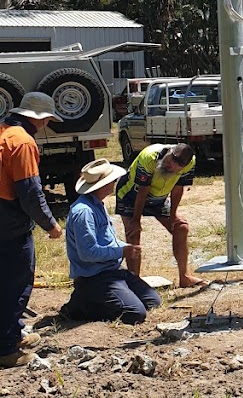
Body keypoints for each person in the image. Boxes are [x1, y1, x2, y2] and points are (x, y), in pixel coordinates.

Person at [0, 92, 62, 367]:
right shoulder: (23, 142)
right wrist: (50, 224)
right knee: (15, 285)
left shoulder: (3, 132)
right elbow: (30, 192)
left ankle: (12, 333)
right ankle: (7, 350)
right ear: (40, 118)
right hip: (9, 222)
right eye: (48, 119)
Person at [63, 160, 161, 324]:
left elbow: (108, 240)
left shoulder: (96, 205)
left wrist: (126, 246)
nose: (114, 184)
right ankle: (81, 303)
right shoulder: (84, 212)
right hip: (95, 276)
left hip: (111, 271)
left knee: (152, 301)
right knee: (135, 313)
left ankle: (92, 299)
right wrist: (122, 251)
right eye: (112, 181)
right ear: (104, 185)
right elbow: (87, 253)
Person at [115, 143, 204, 288]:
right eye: (169, 162)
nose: (170, 167)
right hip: (131, 195)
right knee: (133, 234)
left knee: (181, 227)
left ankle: (185, 277)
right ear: (169, 152)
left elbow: (178, 187)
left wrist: (174, 214)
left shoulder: (190, 162)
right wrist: (136, 220)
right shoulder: (149, 157)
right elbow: (143, 190)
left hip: (158, 198)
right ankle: (134, 282)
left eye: (176, 169)